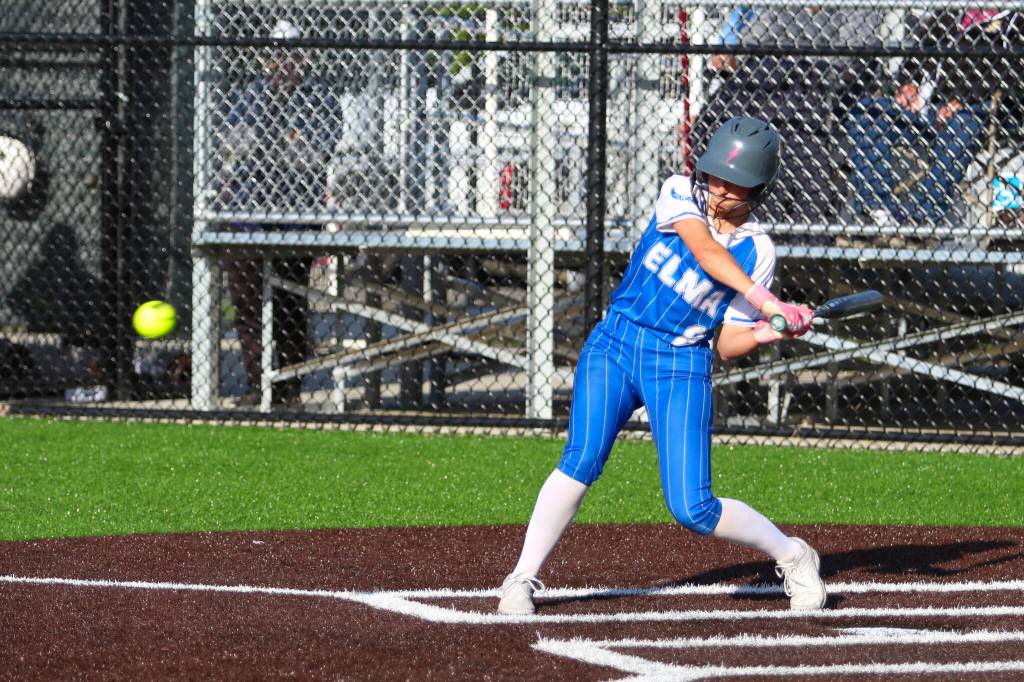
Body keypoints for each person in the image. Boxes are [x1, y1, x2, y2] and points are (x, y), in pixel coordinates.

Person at [497, 116, 827, 615]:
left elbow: (730, 344)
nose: (718, 190)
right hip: (616, 343)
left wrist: (773, 328)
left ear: (758, 190)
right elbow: (705, 250)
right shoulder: (678, 193)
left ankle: (793, 555)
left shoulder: (758, 249)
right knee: (581, 459)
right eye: (715, 176)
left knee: (693, 507)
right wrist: (767, 300)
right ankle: (521, 578)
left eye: (733, 184)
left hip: (679, 363)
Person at [217, 19, 341, 406]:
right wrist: (280, 142)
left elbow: (310, 154)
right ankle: (259, 386)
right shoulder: (250, 94)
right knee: (248, 306)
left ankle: (289, 388)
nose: (281, 63)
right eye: (274, 56)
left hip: (294, 219)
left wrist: (271, 145)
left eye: (289, 55)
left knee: (288, 308)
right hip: (248, 216)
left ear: (303, 58)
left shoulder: (319, 97)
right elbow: (232, 142)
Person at [692, 5, 885, 227]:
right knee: (717, 118)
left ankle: (790, 231)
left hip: (813, 85)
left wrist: (802, 65)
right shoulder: (783, 8)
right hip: (766, 81)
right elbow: (753, 44)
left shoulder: (856, 9)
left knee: (796, 140)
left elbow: (850, 55)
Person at [846, 9, 1022, 227]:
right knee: (865, 111)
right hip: (922, 106)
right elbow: (919, 51)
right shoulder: (951, 12)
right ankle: (878, 211)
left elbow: (1011, 70)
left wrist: (964, 99)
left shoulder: (1014, 19)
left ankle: (920, 218)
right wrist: (909, 83)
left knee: (966, 123)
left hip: (973, 109)